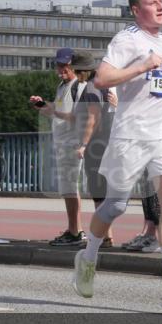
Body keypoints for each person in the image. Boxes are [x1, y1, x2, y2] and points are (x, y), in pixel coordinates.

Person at [72, 0, 162, 309]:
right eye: (152, 2)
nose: (160, 6)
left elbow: (152, 86)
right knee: (115, 206)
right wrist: (143, 66)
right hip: (131, 134)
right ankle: (87, 258)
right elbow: (102, 79)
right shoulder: (126, 39)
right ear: (135, 10)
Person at [30, 47, 86, 246]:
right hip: (63, 143)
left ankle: (76, 232)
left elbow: (78, 116)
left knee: (70, 189)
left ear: (73, 65)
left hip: (73, 142)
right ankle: (74, 230)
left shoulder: (78, 86)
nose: (62, 69)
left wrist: (54, 112)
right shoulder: (62, 86)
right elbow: (57, 111)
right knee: (68, 189)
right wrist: (42, 105)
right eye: (59, 65)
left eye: (66, 65)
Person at [73, 52, 117, 246]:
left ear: (84, 70)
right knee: (103, 190)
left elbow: (93, 118)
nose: (76, 75)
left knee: (98, 191)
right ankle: (106, 235)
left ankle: (103, 236)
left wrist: (83, 144)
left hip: (96, 144)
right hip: (107, 141)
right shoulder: (104, 84)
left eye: (77, 71)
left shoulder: (92, 87)